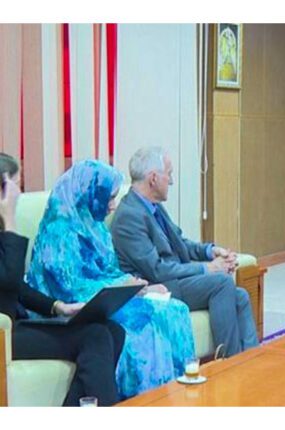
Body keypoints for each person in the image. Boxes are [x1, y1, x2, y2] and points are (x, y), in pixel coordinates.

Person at [25, 159, 195, 399]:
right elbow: (68, 285)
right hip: (69, 305)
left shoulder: (95, 225)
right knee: (142, 324)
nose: (113, 206)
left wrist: (136, 286)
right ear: (89, 194)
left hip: (100, 298)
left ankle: (173, 396)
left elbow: (108, 270)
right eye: (109, 198)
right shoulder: (59, 229)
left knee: (174, 309)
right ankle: (142, 402)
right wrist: (119, 286)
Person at [0, 154, 124, 406]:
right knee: (95, 336)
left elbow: (18, 287)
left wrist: (57, 306)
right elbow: (9, 281)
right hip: (3, 334)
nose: (19, 193)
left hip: (14, 324)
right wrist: (9, 219)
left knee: (113, 330)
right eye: (16, 184)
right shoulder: (8, 224)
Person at [110, 146, 258, 358]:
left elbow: (180, 243)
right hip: (158, 286)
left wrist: (211, 252)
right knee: (222, 283)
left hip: (176, 278)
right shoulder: (129, 216)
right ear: (153, 179)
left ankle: (251, 361)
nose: (171, 181)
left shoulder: (153, 206)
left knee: (240, 296)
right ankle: (229, 364)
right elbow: (157, 270)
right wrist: (208, 268)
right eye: (169, 174)